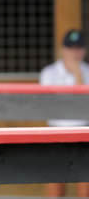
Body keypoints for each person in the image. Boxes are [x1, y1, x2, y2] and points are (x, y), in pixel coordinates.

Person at [39, 29, 89, 197]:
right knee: (55, 183)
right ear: (63, 50)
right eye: (71, 48)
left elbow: (83, 107)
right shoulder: (49, 73)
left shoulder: (87, 71)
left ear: (84, 50)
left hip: (84, 131)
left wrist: (78, 75)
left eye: (79, 48)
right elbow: (51, 106)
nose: (75, 52)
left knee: (85, 184)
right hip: (56, 131)